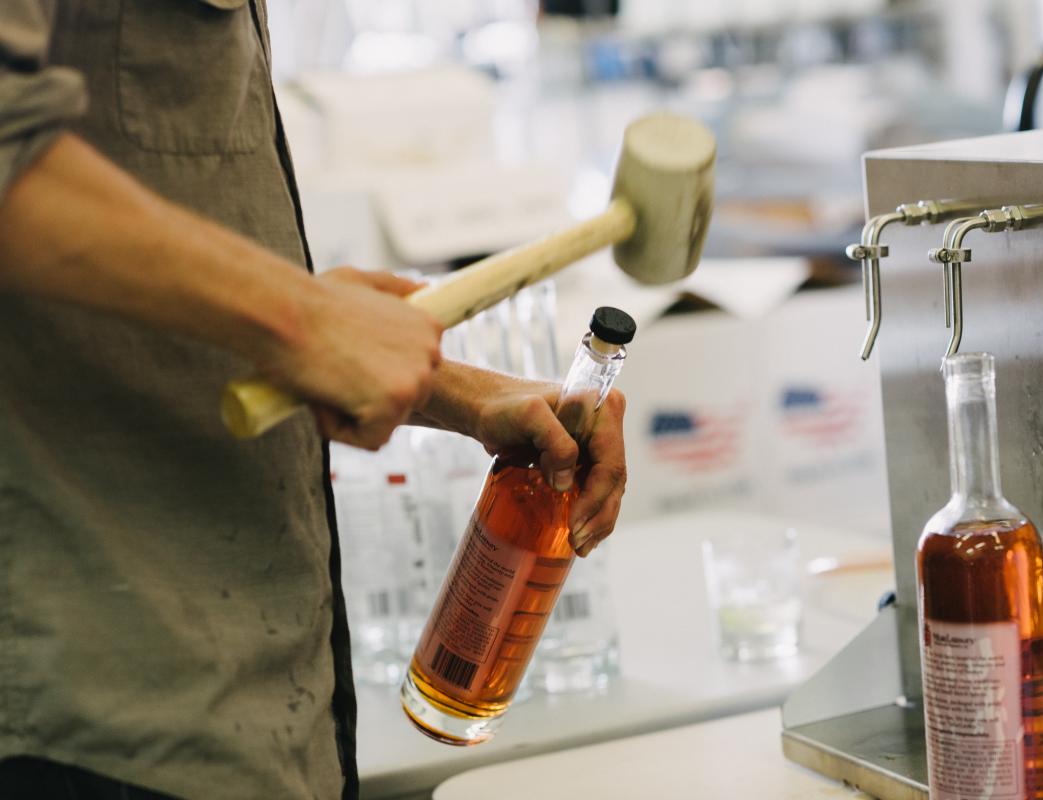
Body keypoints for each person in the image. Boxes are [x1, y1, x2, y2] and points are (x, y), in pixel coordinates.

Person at [0, 2, 628, 799]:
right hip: (103, 716)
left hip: (254, 711)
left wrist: (462, 391)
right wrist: (301, 320)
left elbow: (167, 268)